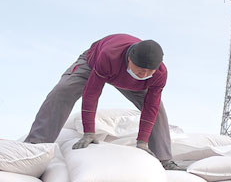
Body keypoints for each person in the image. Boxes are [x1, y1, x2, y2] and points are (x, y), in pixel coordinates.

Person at [25, 33, 180, 170]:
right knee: (63, 90)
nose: (144, 74)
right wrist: (89, 133)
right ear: (130, 58)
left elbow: (151, 107)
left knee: (158, 109)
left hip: (129, 80)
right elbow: (91, 93)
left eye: (149, 71)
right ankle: (36, 144)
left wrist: (142, 142)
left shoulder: (159, 73)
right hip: (93, 63)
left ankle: (163, 159)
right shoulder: (109, 55)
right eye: (140, 69)